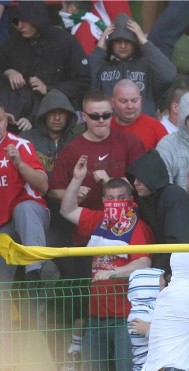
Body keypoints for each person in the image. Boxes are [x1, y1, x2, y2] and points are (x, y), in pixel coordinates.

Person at [59, 168, 155, 371]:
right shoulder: (99, 220)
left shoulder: (137, 226)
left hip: (126, 316)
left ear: (130, 199)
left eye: (120, 197)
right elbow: (67, 210)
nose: (114, 202)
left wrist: (113, 272)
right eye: (109, 197)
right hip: (96, 315)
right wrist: (77, 178)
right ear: (103, 199)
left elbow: (144, 260)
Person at [48, 91, 144, 209]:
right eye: (94, 116)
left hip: (125, 218)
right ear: (84, 117)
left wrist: (109, 182)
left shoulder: (131, 142)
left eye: (106, 115)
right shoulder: (70, 150)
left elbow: (142, 185)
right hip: (86, 219)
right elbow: (55, 191)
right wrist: (73, 192)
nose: (101, 120)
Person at [0, 2, 89, 122]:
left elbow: (83, 82)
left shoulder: (65, 42)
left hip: (54, 113)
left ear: (37, 20)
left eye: (24, 21)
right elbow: (3, 64)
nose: (19, 26)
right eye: (17, 21)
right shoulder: (14, 41)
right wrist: (8, 71)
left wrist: (48, 88)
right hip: (17, 114)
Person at [126, 150, 189, 270]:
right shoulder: (145, 200)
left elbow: (178, 243)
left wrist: (162, 274)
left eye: (141, 179)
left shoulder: (174, 197)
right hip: (179, 261)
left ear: (151, 177)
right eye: (134, 179)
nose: (135, 183)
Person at [90, 13, 177, 119]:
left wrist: (145, 42)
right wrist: (100, 48)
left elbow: (168, 76)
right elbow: (84, 83)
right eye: (118, 41)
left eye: (128, 41)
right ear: (110, 43)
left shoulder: (148, 65)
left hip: (144, 127)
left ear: (136, 42)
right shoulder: (101, 65)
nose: (123, 46)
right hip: (109, 129)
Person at [0, 105, 50, 285]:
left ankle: (35, 271)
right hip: (2, 225)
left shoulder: (21, 145)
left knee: (25, 208)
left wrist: (19, 164)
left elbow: (43, 185)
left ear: (6, 120)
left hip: (28, 215)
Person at [21, 90, 79, 175]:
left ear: (68, 115)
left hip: (69, 187)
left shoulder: (77, 142)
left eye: (61, 113)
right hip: (36, 188)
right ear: (44, 115)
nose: (57, 118)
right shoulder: (27, 140)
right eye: (52, 113)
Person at [109, 80, 168, 152]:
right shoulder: (104, 126)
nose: (130, 106)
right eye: (123, 101)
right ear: (112, 102)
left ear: (140, 100)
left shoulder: (156, 128)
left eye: (134, 101)